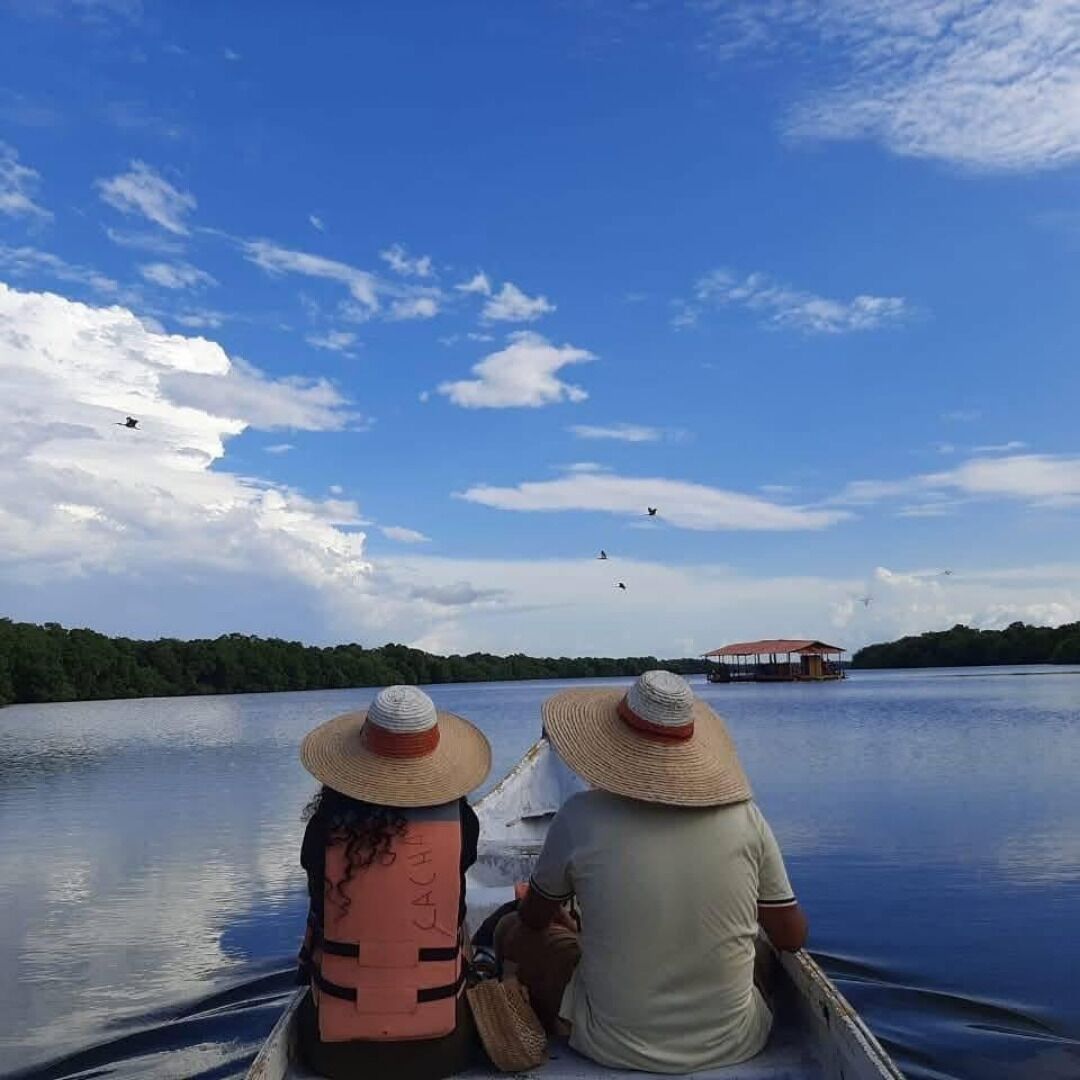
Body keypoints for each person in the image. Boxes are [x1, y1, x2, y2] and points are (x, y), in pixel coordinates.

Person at [495, 670, 807, 1073]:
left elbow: (533, 919)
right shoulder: (745, 817)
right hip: (737, 1043)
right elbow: (791, 937)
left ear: (612, 743)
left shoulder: (581, 816)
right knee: (758, 946)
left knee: (509, 931)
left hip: (608, 1045)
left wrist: (562, 919)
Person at [296, 685, 491, 1080]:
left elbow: (318, 904)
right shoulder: (462, 824)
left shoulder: (324, 827)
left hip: (333, 1056)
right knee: (461, 922)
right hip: (443, 1050)